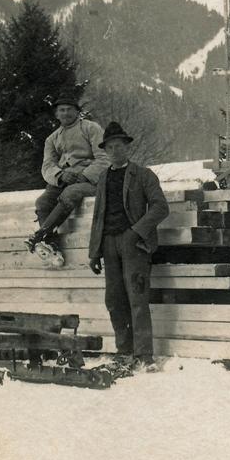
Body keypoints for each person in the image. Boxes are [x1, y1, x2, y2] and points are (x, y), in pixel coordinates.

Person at [88, 122, 169, 370]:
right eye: (109, 147)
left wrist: (136, 232)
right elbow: (98, 216)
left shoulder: (143, 175)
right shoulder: (103, 178)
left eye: (119, 146)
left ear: (127, 147)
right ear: (105, 151)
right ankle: (124, 351)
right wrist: (94, 252)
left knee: (137, 297)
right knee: (113, 300)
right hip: (108, 244)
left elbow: (160, 207)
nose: (114, 150)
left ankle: (144, 355)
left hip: (133, 244)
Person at [26, 97, 109, 252]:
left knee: (71, 192)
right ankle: (51, 245)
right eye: (61, 110)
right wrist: (60, 175)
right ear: (56, 114)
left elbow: (104, 158)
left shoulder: (91, 128)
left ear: (77, 111)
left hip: (91, 180)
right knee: (43, 202)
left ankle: (41, 234)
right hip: (65, 179)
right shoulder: (52, 139)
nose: (66, 113)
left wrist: (85, 175)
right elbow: (47, 166)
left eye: (70, 109)